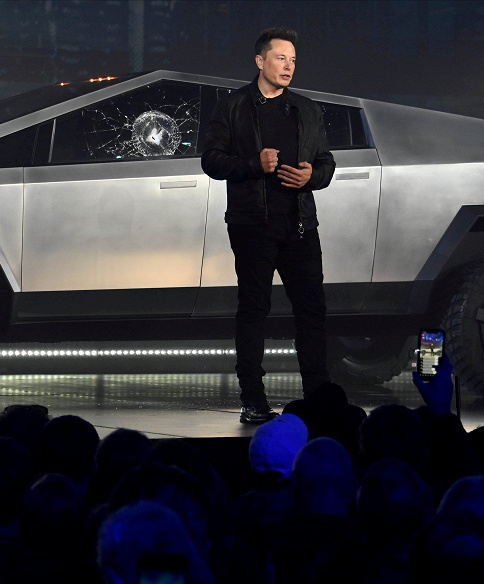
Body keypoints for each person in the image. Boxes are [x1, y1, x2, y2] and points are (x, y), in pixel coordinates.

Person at [202, 27, 336, 423]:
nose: (288, 66)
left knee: (312, 311)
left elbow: (326, 163)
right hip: (252, 226)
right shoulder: (233, 106)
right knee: (254, 309)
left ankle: (318, 398)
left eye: (293, 60)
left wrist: (312, 176)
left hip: (300, 226)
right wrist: (252, 165)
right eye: (281, 58)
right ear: (260, 61)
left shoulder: (307, 109)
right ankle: (253, 400)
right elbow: (211, 160)